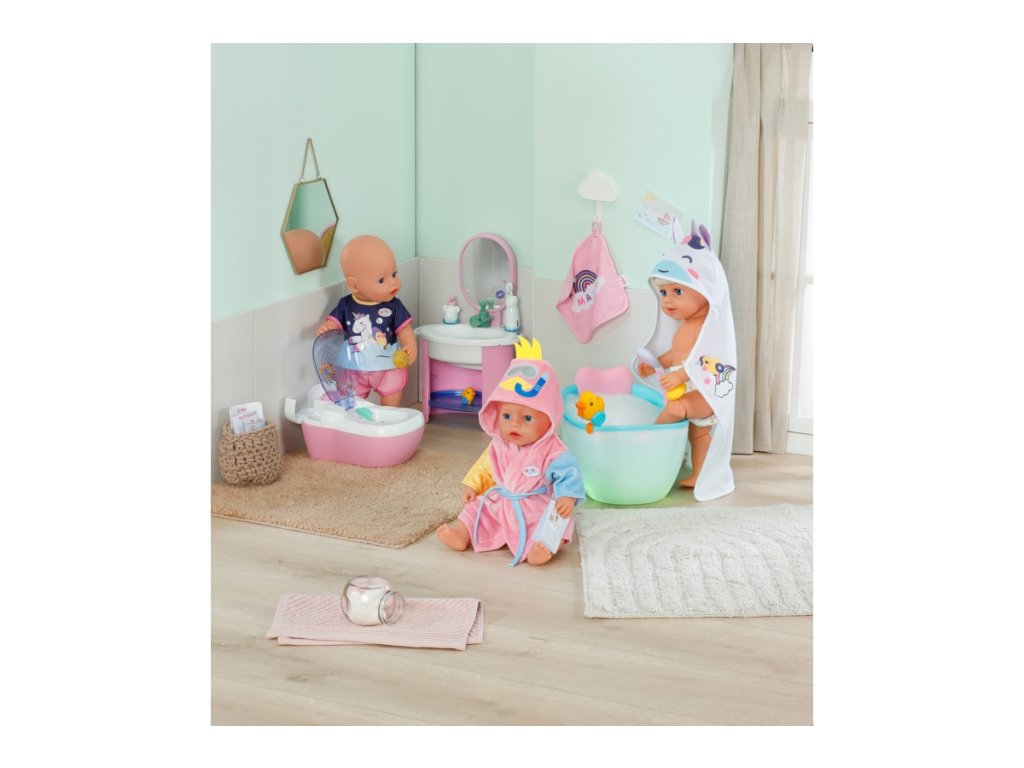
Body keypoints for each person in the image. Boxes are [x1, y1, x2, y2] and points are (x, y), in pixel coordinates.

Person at [436, 337, 585, 566]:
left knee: (557, 523)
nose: (514, 424)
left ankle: (542, 548)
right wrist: (472, 486)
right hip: (502, 501)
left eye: (527, 418)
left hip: (534, 504)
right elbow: (486, 467)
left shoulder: (553, 450)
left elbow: (569, 474)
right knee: (476, 508)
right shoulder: (499, 445)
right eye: (506, 416)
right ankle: (461, 534)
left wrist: (567, 497)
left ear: (549, 419)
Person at [635, 222, 736, 497]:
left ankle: (647, 439)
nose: (668, 300)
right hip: (690, 389)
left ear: (706, 292)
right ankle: (699, 473)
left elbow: (704, 362)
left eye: (678, 292)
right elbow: (678, 354)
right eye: (664, 292)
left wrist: (680, 376)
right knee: (698, 435)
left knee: (676, 408)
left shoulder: (708, 329)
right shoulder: (685, 326)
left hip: (704, 393)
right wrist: (657, 362)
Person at [316, 235, 417, 407]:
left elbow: (404, 329)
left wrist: (410, 344)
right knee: (351, 404)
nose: (393, 282)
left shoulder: (394, 305)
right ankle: (356, 420)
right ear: (354, 285)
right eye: (381, 280)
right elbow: (335, 324)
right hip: (353, 369)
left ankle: (388, 416)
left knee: (392, 396)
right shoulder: (346, 305)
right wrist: (328, 327)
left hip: (387, 366)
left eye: (394, 274)